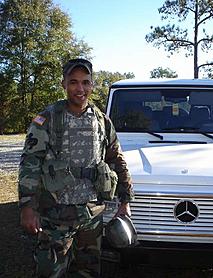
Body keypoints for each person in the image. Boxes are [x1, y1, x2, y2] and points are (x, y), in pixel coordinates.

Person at [18, 58, 134, 277]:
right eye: (73, 82)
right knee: (49, 272)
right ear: (64, 84)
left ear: (92, 84)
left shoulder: (102, 121)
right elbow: (30, 163)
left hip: (91, 216)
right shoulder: (47, 119)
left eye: (85, 82)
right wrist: (27, 207)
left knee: (87, 272)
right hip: (55, 216)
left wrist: (125, 200)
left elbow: (116, 159)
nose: (79, 89)